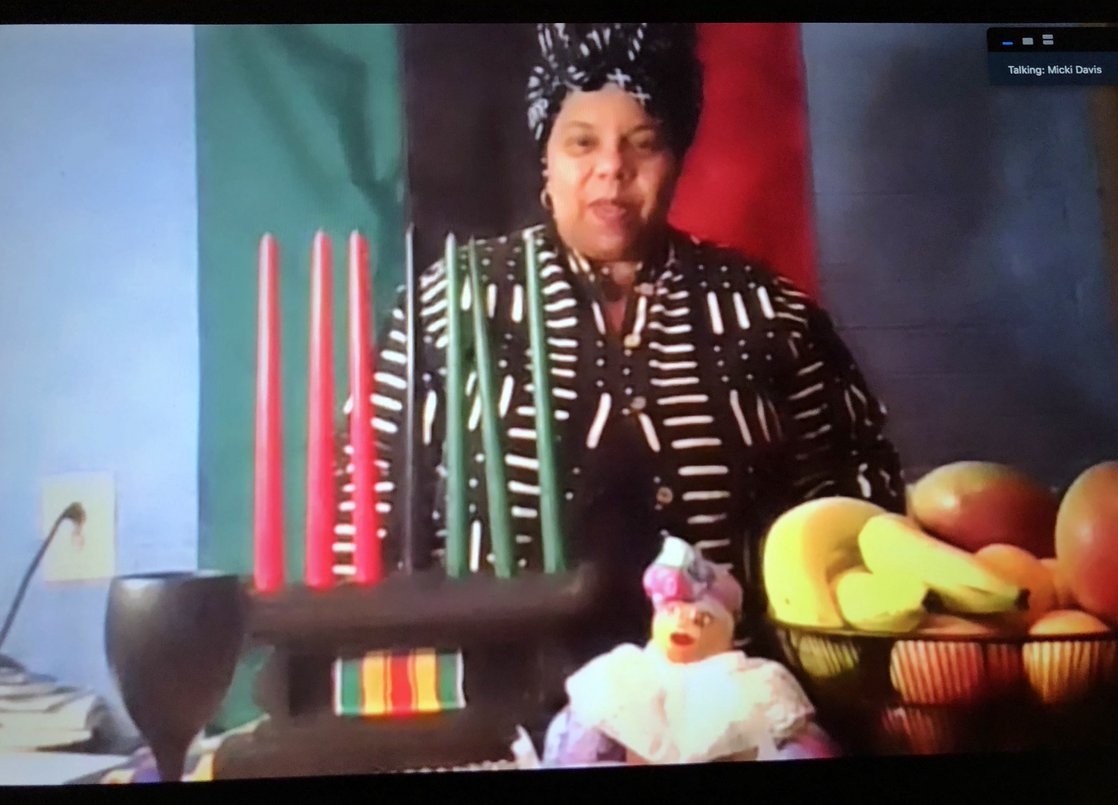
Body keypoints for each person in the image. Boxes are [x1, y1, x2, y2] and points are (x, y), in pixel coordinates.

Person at [333, 22, 905, 658]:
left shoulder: (767, 312)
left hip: (726, 692)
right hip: (503, 692)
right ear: (545, 157)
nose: (612, 168)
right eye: (582, 142)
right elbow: (365, 514)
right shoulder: (455, 304)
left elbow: (855, 513)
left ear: (676, 158)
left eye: (644, 143)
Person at [539, 537, 839, 766]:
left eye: (702, 619)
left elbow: (798, 740)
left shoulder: (750, 681)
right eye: (671, 613)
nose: (683, 625)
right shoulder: (631, 673)